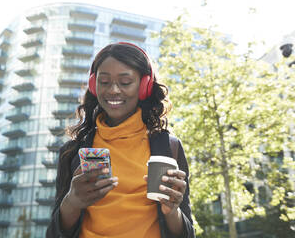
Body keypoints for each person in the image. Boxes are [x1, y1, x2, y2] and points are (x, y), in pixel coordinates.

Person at [46, 42, 195, 238]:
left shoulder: (168, 147)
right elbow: (54, 234)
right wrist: (71, 202)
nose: (114, 90)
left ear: (144, 86)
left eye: (125, 82)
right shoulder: (73, 151)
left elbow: (187, 234)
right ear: (94, 84)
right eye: (104, 82)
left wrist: (172, 211)